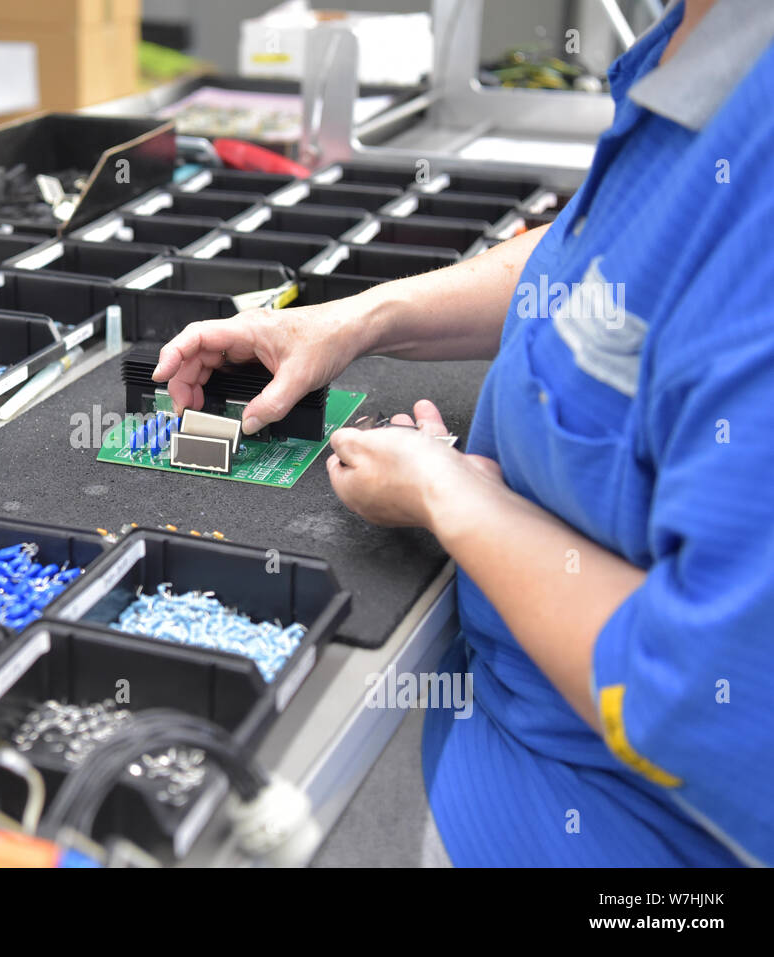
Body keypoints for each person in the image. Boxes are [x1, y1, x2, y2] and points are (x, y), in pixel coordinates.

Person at [152, 0, 773, 867]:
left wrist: (450, 498)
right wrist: (357, 318)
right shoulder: (697, 39)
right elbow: (602, 261)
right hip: (491, 763)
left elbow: (718, 702)